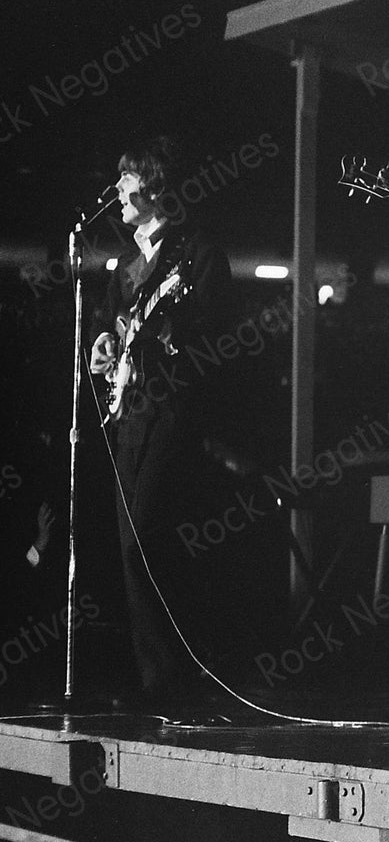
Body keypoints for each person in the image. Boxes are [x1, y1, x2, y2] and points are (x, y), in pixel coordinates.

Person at [88, 136, 232, 708]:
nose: (117, 190)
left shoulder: (197, 255)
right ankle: (157, 677)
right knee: (128, 545)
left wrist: (174, 333)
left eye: (126, 180)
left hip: (173, 411)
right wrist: (103, 347)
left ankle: (182, 673)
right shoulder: (124, 265)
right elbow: (110, 328)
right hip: (130, 411)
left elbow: (220, 338)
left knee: (149, 534)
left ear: (154, 187)